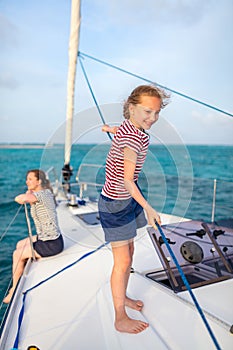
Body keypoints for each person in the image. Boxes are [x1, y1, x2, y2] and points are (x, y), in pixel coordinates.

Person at [98, 85, 170, 334]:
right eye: (147, 112)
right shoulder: (131, 138)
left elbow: (123, 130)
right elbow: (128, 180)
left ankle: (123, 296)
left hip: (126, 200)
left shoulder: (130, 128)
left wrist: (110, 129)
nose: (153, 118)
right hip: (116, 203)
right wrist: (148, 207)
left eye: (157, 113)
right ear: (131, 108)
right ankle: (120, 316)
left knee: (129, 250)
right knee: (123, 261)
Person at [3, 169, 64, 304]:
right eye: (27, 179)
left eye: (30, 179)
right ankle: (21, 275)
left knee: (16, 254)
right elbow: (28, 197)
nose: (27, 181)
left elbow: (20, 199)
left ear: (39, 181)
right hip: (45, 237)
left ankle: (13, 290)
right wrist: (29, 192)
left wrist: (27, 194)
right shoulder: (39, 194)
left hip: (52, 244)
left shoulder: (44, 194)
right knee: (20, 244)